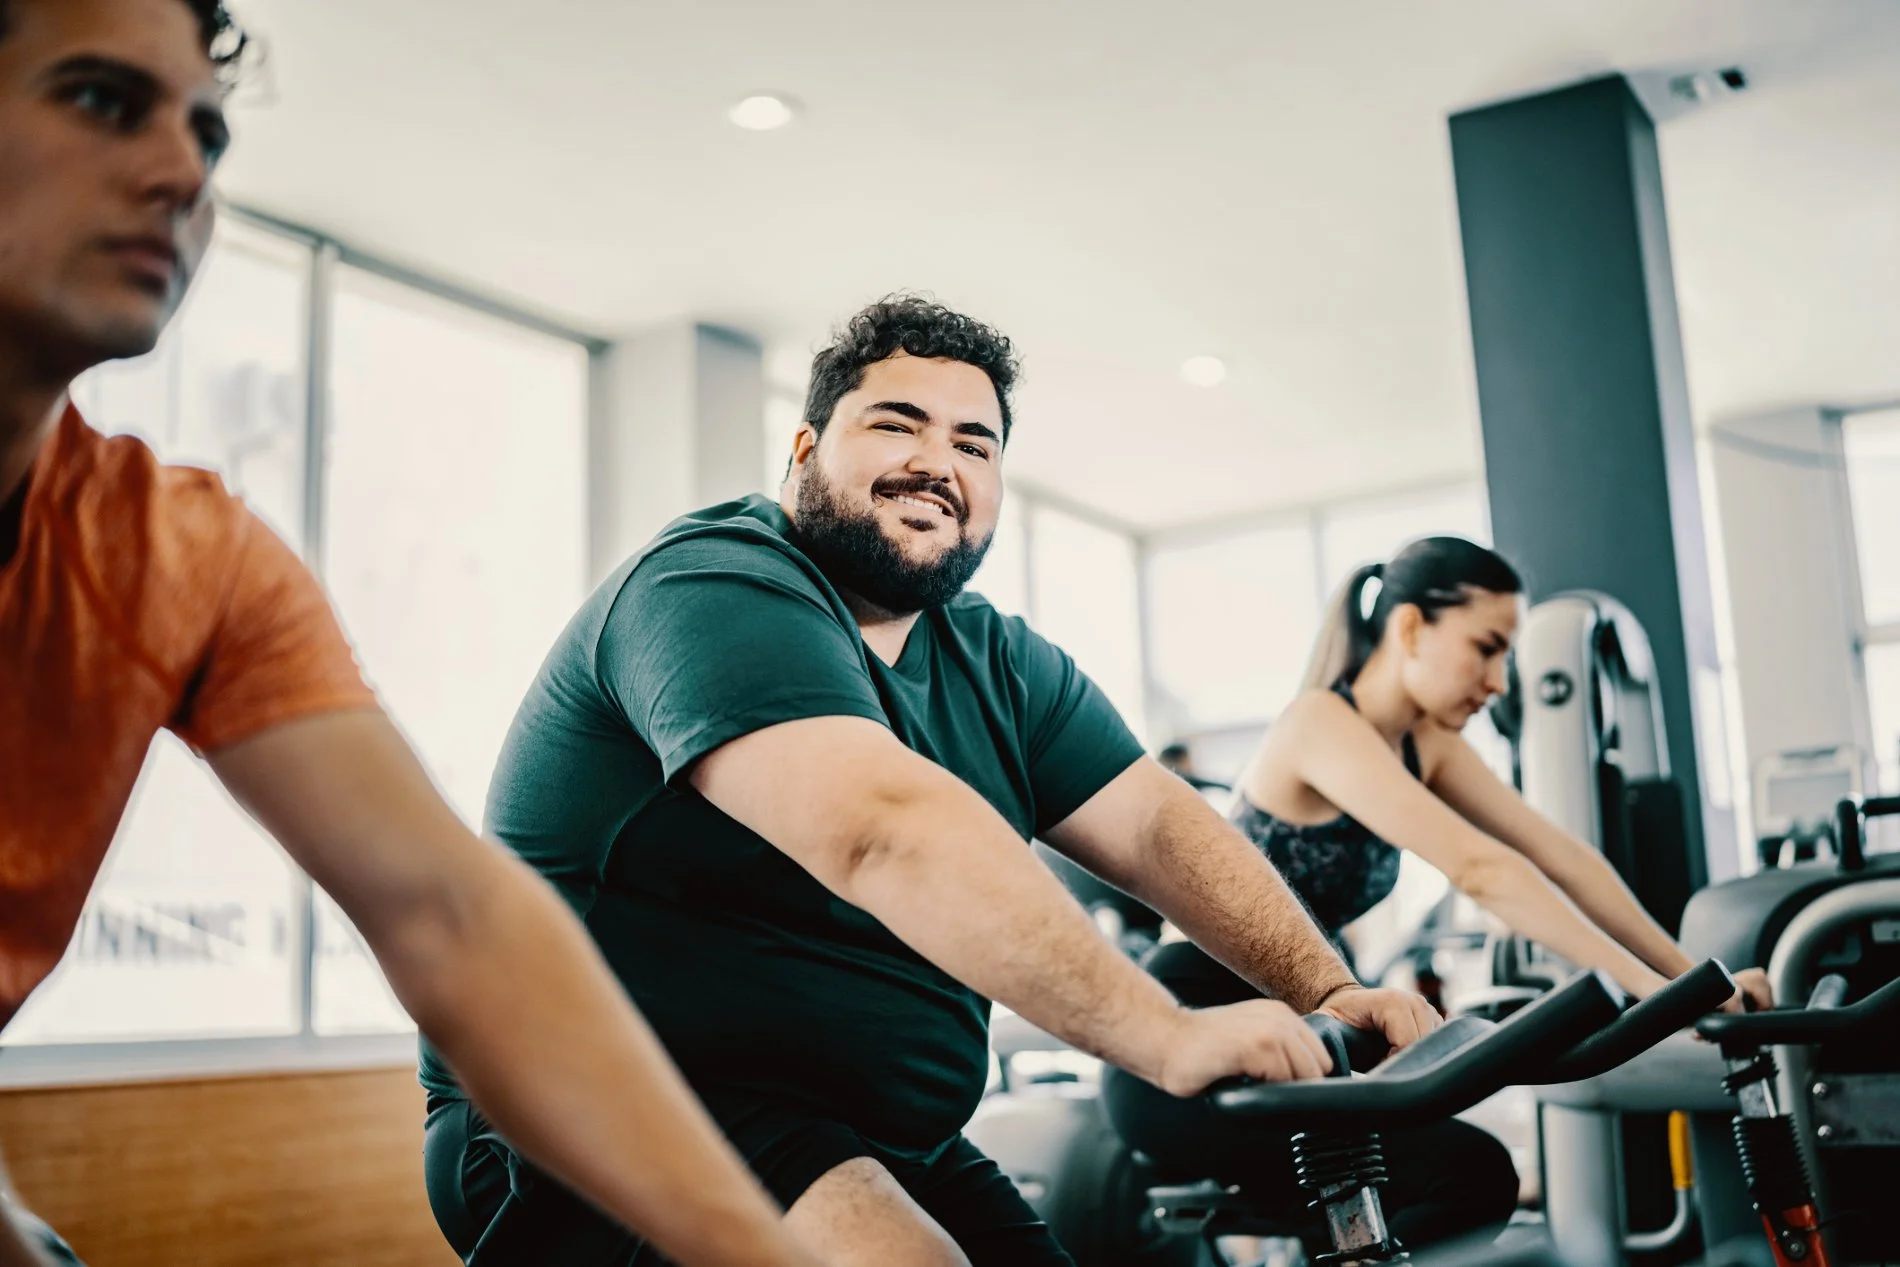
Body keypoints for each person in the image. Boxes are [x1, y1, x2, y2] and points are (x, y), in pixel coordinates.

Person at [0, 3, 832, 1265]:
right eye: (104, 101)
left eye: (208, 134)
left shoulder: (181, 554)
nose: (181, 174)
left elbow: (451, 914)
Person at [420, 294, 1465, 1267]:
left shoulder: (999, 662)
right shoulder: (713, 584)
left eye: (974, 443)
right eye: (896, 424)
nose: (937, 461)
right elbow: (880, 826)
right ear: (803, 451)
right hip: (599, 1097)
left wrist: (1325, 987)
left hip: (874, 1128)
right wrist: (1165, 1033)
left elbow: (1154, 828)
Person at [1229, 536, 1775, 1011]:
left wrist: (1696, 980)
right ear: (1412, 628)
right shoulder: (1318, 722)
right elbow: (1480, 870)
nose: (1498, 684)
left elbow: (1563, 857)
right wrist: (1654, 990)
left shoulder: (1428, 743)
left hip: (1300, 1000)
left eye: (1505, 658)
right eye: (1485, 649)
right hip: (1215, 993)